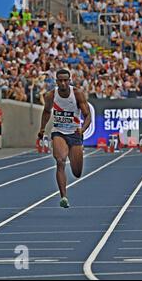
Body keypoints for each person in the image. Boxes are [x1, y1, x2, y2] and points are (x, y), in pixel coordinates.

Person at [38, 69, 91, 208]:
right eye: (60, 80)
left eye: (65, 80)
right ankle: (63, 197)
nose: (63, 83)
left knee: (77, 172)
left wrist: (83, 129)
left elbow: (88, 115)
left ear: (69, 81)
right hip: (59, 132)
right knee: (60, 161)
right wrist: (42, 129)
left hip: (74, 133)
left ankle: (74, 154)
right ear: (56, 81)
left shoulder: (77, 94)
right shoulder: (51, 95)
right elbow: (46, 112)